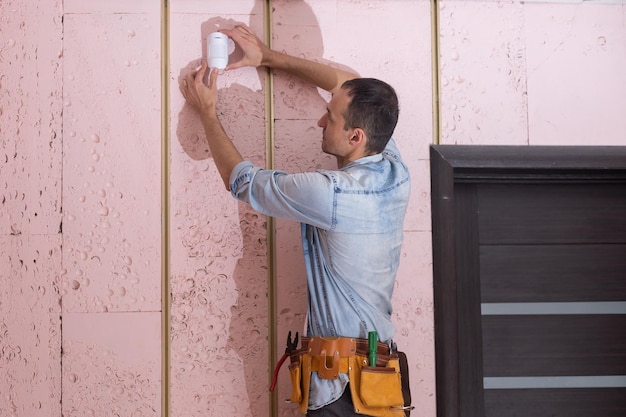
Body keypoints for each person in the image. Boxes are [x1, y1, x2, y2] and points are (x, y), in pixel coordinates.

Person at [180, 23, 410, 417]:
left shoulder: (331, 193)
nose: (321, 122)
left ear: (355, 136)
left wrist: (208, 112)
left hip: (343, 395)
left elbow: (244, 182)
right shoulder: (393, 169)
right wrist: (267, 58)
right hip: (378, 384)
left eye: (330, 117)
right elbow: (349, 82)